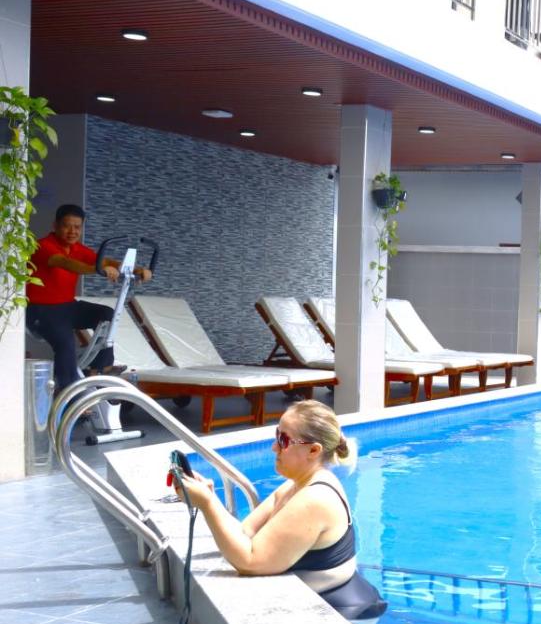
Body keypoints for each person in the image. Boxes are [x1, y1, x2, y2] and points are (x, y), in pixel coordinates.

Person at [182, 399, 366, 596]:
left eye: (283, 440)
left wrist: (207, 503)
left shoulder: (316, 498)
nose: (274, 447)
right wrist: (209, 496)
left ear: (313, 450)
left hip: (335, 607)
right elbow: (245, 532)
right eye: (277, 435)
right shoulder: (296, 485)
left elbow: (250, 562)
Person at [26, 204, 151, 391]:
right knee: (66, 343)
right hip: (41, 311)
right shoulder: (42, 246)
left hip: (67, 306)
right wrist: (99, 270)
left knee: (106, 314)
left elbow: (104, 260)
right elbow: (65, 263)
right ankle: (69, 393)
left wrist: (137, 269)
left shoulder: (77, 248)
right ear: (55, 225)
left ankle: (100, 367)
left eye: (77, 227)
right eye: (67, 226)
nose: (72, 231)